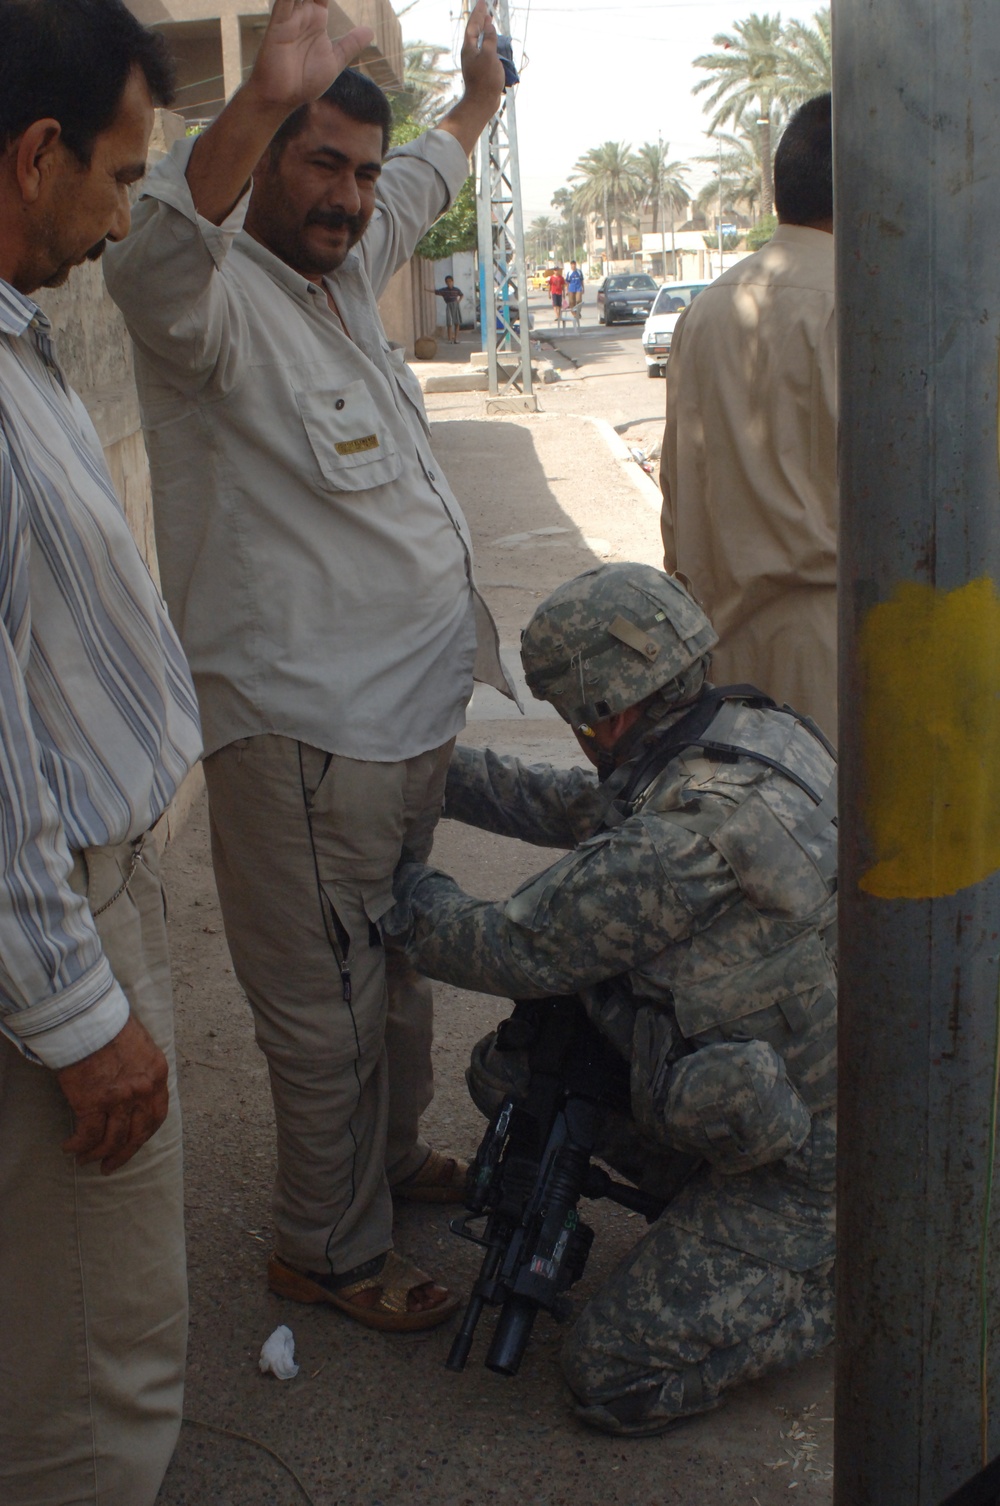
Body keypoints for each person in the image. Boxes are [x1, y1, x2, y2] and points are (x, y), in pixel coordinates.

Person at [105, 0, 512, 1331]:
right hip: (300, 736)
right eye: (314, 160)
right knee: (324, 1008)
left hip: (399, 730)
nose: (344, 197)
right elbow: (154, 251)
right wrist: (257, 97)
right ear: (272, 151)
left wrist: (480, 96)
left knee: (390, 973)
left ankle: (388, 1166)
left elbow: (429, 169)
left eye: (357, 170)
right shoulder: (208, 305)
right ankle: (324, 1249)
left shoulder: (348, 258)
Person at [386, 563, 837, 1436]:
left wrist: (392, 890)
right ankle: (726, 1226)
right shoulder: (751, 735)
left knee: (607, 1375)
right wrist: (428, 773)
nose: (581, 739)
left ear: (613, 716)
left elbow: (512, 945)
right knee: (513, 1074)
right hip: (798, 1094)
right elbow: (583, 807)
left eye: (579, 721)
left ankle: (837, 1279)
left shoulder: (680, 838)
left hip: (810, 1168)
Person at [0, 2, 203, 1501]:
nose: (126, 217)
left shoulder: (18, 343)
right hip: (51, 930)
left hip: (80, 902)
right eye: (122, 179)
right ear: (34, 155)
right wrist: (76, 1010)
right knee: (92, 1380)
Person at [660, 94, 836, 740]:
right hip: (839, 667)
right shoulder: (869, 304)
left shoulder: (704, 311)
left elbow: (675, 507)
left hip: (720, 668)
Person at [435, 273, 464, 343]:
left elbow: (461, 295)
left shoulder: (456, 289)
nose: (449, 283)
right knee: (449, 323)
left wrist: (459, 301)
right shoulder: (444, 290)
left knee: (457, 322)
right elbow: (435, 291)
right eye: (447, 281)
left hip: (456, 306)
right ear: (446, 282)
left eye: (450, 281)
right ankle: (449, 339)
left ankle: (456, 338)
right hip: (449, 305)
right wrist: (425, 289)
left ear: (452, 281)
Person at [566, 258, 584, 328]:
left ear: (575, 265)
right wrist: (567, 290)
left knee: (579, 300)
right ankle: (574, 313)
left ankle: (578, 312)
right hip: (571, 288)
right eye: (572, 265)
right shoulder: (569, 272)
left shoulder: (579, 272)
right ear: (570, 266)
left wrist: (583, 288)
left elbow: (582, 280)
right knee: (571, 302)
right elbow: (567, 282)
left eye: (574, 265)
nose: (573, 266)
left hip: (578, 288)